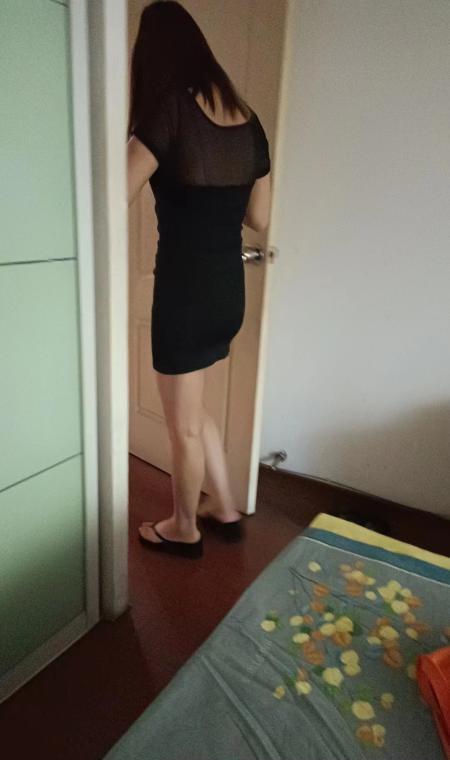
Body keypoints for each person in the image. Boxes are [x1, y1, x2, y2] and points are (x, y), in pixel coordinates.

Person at [127, 1, 271, 558]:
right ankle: (225, 506)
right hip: (227, 292)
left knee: (181, 426)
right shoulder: (249, 120)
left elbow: (111, 194)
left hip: (185, 296)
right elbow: (260, 218)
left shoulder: (167, 112)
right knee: (194, 410)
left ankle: (183, 528)